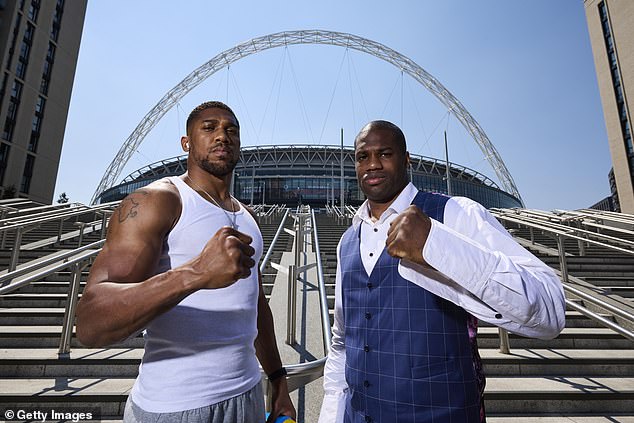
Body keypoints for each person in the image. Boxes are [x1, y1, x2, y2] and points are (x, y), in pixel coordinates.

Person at [318, 120, 566, 423]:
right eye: (363, 157)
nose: (373, 165)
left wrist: (437, 244)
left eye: (384, 154)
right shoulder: (347, 241)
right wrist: (332, 414)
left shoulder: (455, 213)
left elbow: (549, 312)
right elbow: (343, 339)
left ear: (407, 159)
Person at [76, 101, 296, 423]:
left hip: (247, 395)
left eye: (231, 130)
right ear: (186, 143)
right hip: (175, 406)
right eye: (209, 128)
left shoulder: (247, 218)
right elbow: (92, 323)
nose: (222, 135)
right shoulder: (157, 201)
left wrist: (278, 380)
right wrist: (195, 273)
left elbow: (256, 305)